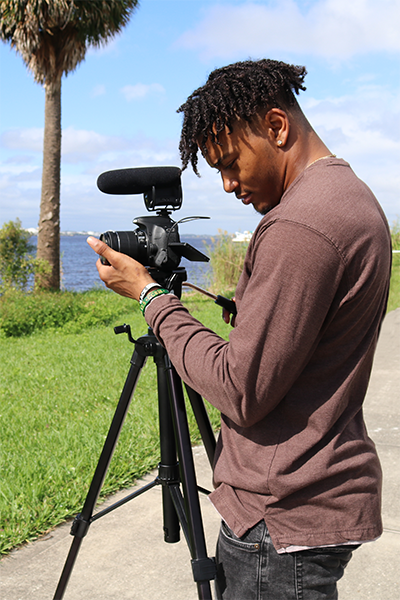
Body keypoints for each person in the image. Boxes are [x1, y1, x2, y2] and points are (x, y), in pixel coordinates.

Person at [87, 59, 392, 599]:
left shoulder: (300, 224)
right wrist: (255, 314)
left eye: (230, 163)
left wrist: (151, 297)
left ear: (276, 127)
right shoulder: (348, 196)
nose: (229, 185)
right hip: (311, 499)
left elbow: (240, 389)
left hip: (279, 521)